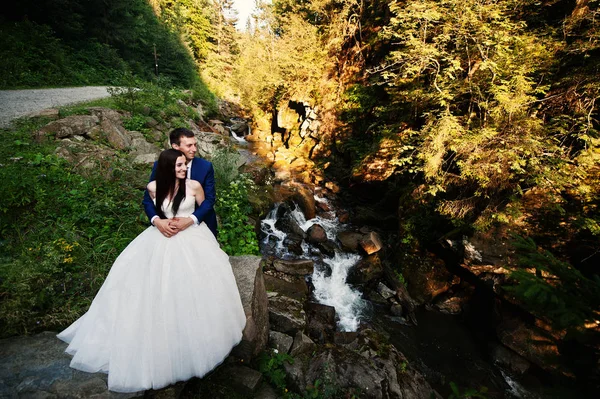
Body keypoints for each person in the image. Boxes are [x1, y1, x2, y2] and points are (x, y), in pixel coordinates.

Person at [57, 149, 246, 393]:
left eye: (184, 165)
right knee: (151, 289)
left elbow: (207, 207)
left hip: (192, 239)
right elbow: (152, 209)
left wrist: (196, 223)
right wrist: (159, 221)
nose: (183, 168)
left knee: (196, 288)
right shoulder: (154, 188)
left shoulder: (195, 186)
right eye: (178, 165)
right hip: (160, 240)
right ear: (168, 167)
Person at [143, 128, 218, 238]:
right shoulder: (161, 165)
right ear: (175, 146)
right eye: (189, 145)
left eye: (195, 144)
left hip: (199, 226)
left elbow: (210, 199)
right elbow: (148, 200)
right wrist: (157, 220)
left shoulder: (205, 167)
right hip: (167, 228)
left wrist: (190, 220)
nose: (194, 149)